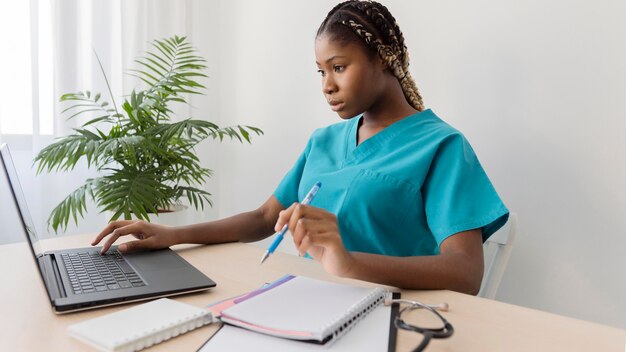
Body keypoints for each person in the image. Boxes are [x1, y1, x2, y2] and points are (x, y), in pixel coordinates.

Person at [92, 0, 508, 295]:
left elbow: (466, 272)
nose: (327, 85)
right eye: (321, 71)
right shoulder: (323, 141)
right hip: (306, 300)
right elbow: (263, 218)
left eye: (339, 67)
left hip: (392, 314)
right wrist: (172, 234)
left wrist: (351, 264)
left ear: (384, 59)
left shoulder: (441, 146)